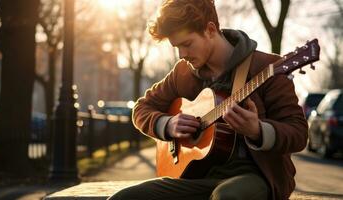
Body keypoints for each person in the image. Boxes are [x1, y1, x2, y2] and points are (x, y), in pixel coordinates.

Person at [108, 0, 308, 199]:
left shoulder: (268, 68)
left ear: (210, 30)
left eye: (187, 44)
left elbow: (299, 133)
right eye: (177, 47)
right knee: (123, 198)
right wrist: (167, 124)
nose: (182, 55)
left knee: (226, 196)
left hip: (253, 176)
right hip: (195, 177)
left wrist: (257, 131)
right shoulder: (183, 73)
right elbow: (142, 108)